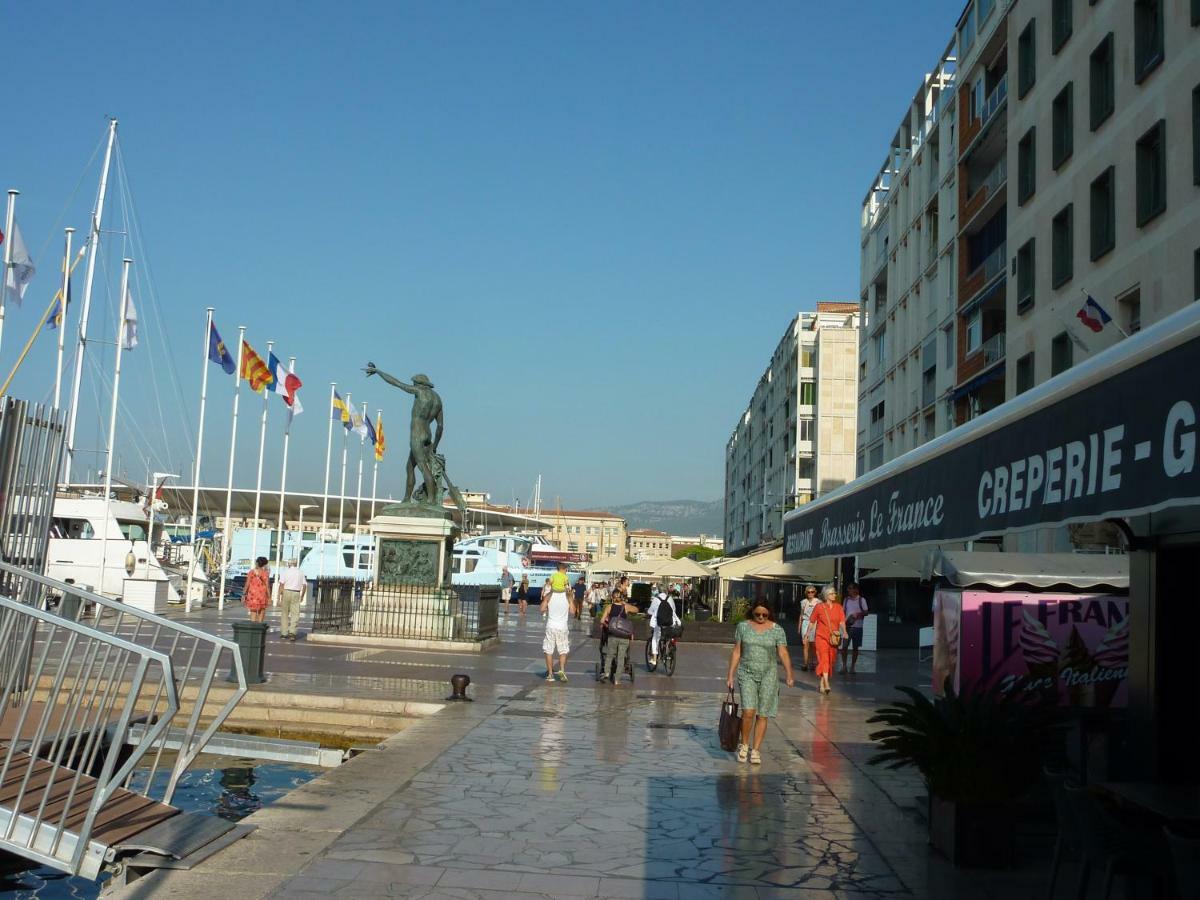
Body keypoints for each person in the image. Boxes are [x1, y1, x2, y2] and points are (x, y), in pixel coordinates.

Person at [725, 603, 794, 764]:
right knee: (748, 711)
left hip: (768, 675)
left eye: (765, 614)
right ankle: (744, 744)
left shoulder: (777, 630)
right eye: (758, 614)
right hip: (747, 673)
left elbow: (783, 652)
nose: (761, 617)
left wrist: (789, 673)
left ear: (769, 613)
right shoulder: (743, 627)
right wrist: (730, 675)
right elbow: (737, 651)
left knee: (763, 714)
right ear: (752, 613)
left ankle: (755, 750)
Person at [540, 562, 575, 682]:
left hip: (551, 625)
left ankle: (550, 674)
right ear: (564, 570)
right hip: (562, 627)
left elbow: (542, 609)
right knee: (563, 650)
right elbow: (572, 612)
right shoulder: (568, 596)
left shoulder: (549, 595)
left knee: (548, 650)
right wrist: (570, 600)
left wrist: (548, 606)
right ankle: (562, 671)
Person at [813, 586, 848, 695]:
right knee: (824, 658)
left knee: (831, 660)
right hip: (821, 637)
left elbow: (842, 622)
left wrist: (845, 632)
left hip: (833, 638)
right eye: (832, 593)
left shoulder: (839, 607)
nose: (835, 595)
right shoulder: (819, 607)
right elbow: (812, 621)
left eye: (834, 593)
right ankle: (827, 683)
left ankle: (822, 682)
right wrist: (806, 635)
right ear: (826, 595)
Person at [599, 583, 634, 684]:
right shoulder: (625, 607)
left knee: (610, 655)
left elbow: (602, 620)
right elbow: (636, 610)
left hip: (613, 635)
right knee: (621, 657)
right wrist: (626, 605)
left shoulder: (609, 607)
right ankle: (617, 680)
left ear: (612, 597)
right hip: (624, 636)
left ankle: (606, 673)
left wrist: (608, 625)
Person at [840, 582, 870, 674]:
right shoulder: (846, 600)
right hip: (848, 627)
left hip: (858, 627)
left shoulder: (862, 600)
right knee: (844, 647)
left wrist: (857, 614)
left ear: (855, 590)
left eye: (850, 588)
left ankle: (852, 667)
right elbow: (843, 612)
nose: (848, 590)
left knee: (855, 648)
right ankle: (844, 666)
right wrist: (842, 622)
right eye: (848, 588)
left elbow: (866, 612)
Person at [647, 589, 681, 666]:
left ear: (658, 591)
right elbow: (674, 610)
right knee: (669, 636)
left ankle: (654, 659)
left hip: (659, 623)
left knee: (655, 639)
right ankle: (669, 649)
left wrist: (649, 614)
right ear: (666, 592)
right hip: (670, 622)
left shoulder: (656, 599)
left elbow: (650, 611)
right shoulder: (670, 598)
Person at [277, 557, 308, 640]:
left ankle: (284, 633)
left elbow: (281, 585)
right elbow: (304, 585)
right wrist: (302, 596)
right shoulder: (300, 572)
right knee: (295, 613)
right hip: (296, 593)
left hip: (286, 591)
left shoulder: (285, 572)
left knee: (285, 613)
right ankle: (292, 633)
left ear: (289, 564)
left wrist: (278, 598)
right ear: (296, 563)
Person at [797, 585, 820, 672]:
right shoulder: (803, 602)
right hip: (806, 622)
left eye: (812, 592)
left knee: (813, 645)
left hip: (815, 623)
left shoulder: (818, 602)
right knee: (805, 644)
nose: (810, 593)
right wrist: (799, 626)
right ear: (806, 593)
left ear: (815, 592)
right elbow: (801, 614)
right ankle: (805, 663)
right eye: (808, 592)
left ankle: (813, 662)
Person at [243, 556, 271, 624]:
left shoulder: (251, 572)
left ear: (257, 563)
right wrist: (269, 597)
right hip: (262, 594)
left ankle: (253, 627)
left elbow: (247, 584)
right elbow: (267, 586)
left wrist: (244, 594)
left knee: (253, 611)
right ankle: (260, 626)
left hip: (252, 595)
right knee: (262, 610)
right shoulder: (265, 573)